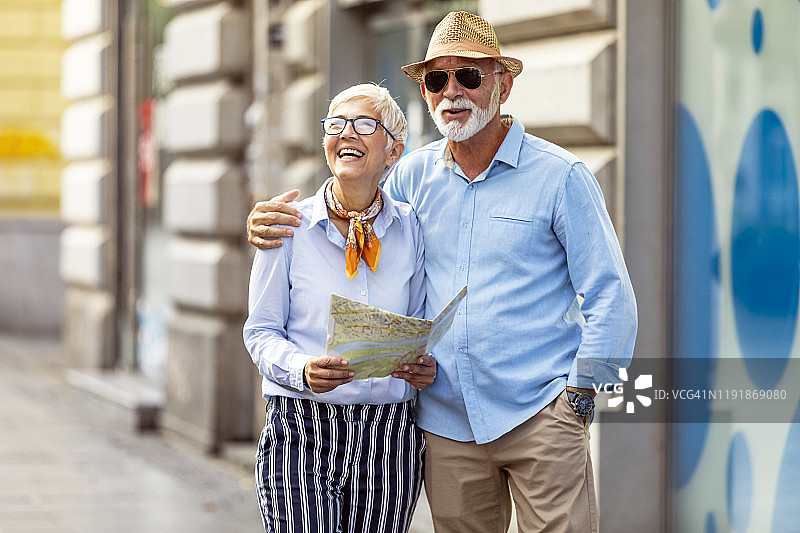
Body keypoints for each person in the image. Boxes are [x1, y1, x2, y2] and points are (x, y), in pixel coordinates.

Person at [247, 12, 637, 533]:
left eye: (469, 76)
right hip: (446, 424)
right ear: (427, 94)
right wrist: (266, 222)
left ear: (504, 83)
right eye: (437, 79)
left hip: (541, 412)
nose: (452, 91)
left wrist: (581, 400)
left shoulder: (561, 176)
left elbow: (612, 297)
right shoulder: (410, 176)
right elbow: (353, 206)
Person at [243, 83, 436, 533]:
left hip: (390, 435)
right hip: (301, 428)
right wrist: (302, 368)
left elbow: (421, 323)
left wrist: (425, 367)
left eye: (365, 124)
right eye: (336, 124)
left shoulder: (411, 229)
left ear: (393, 152)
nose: (347, 132)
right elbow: (261, 332)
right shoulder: (287, 227)